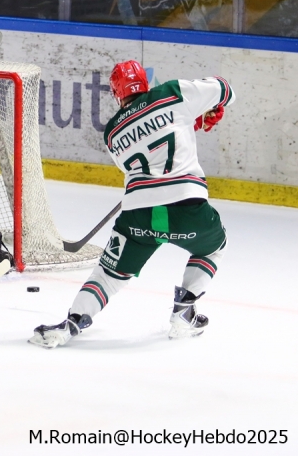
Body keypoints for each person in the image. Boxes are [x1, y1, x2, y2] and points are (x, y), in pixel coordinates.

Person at [29, 60, 236, 348]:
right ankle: (184, 311)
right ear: (145, 83)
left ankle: (73, 322)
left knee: (109, 274)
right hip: (186, 206)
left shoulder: (112, 132)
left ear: (117, 93)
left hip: (138, 214)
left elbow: (148, 146)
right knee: (214, 246)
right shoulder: (174, 92)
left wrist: (193, 120)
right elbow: (225, 89)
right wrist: (201, 111)